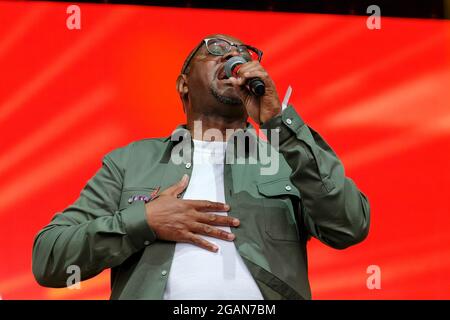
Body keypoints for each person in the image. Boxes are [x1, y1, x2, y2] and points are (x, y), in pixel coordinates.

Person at [32, 34, 370, 300]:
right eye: (216, 48)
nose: (232, 57)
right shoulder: (130, 161)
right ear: (183, 84)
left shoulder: (285, 160)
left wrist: (279, 124)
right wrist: (143, 221)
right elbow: (49, 258)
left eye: (243, 53)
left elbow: (349, 225)